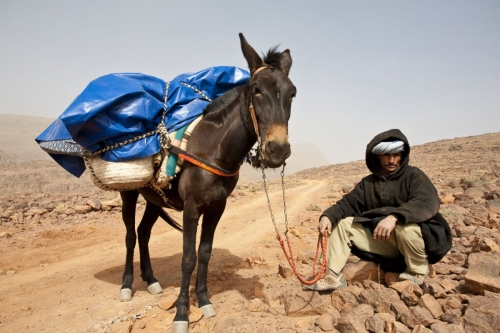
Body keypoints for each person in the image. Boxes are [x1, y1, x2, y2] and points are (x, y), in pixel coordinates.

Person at [306, 129, 452, 291]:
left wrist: (394, 217)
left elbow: (426, 201)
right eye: (386, 155)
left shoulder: (414, 176)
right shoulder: (368, 184)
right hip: (387, 245)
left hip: (416, 242)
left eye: (396, 155)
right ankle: (331, 275)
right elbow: (347, 204)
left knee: (406, 227)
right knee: (343, 224)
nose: (391, 160)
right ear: (377, 156)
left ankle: (416, 273)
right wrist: (328, 216)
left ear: (402, 155)